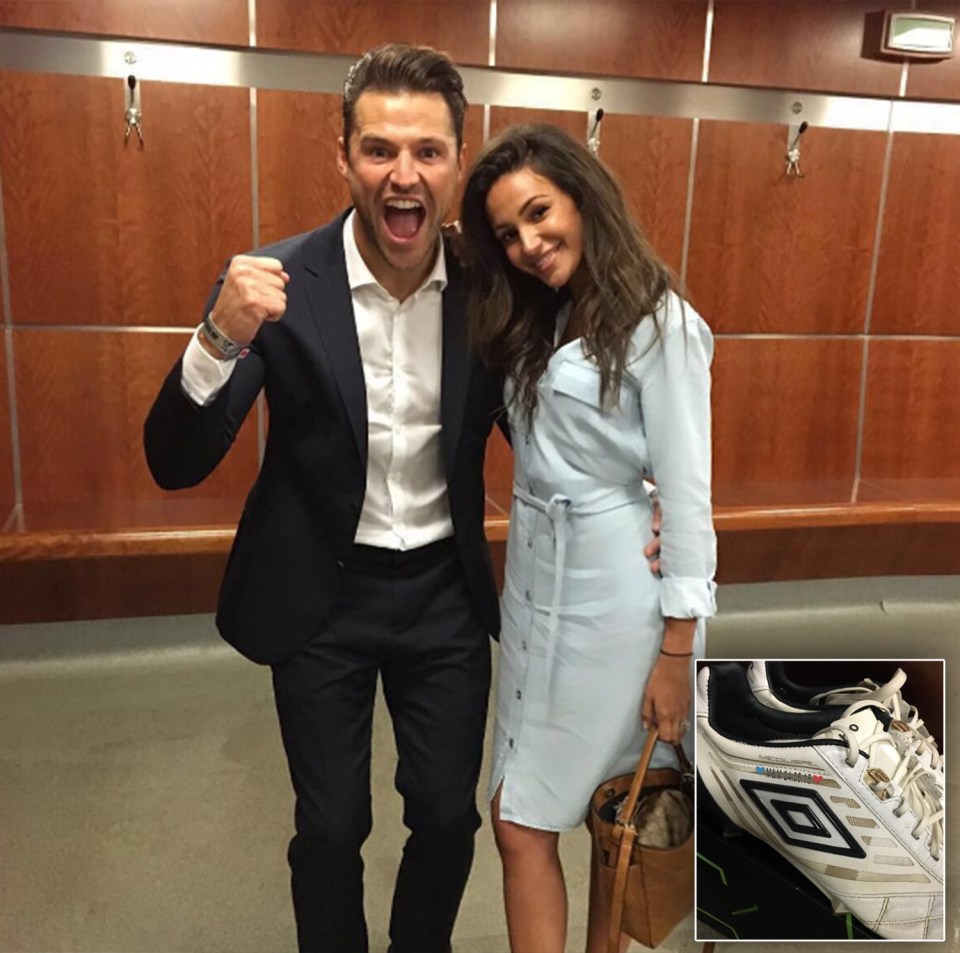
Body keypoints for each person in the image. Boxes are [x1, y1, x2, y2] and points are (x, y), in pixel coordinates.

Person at [143, 44, 506, 953]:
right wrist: (216, 339)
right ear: (342, 155)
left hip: (443, 594)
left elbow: (544, 427)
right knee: (333, 827)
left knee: (448, 818)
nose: (403, 173)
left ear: (459, 162)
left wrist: (642, 495)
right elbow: (173, 461)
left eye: (428, 151)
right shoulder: (272, 287)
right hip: (319, 596)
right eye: (379, 149)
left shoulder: (491, 292)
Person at [459, 123, 717, 953]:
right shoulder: (545, 312)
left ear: (582, 195)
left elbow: (687, 493)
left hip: (619, 601)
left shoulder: (661, 323)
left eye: (540, 213)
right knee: (517, 813)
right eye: (507, 232)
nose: (529, 243)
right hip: (535, 584)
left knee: (613, 810)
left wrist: (677, 652)